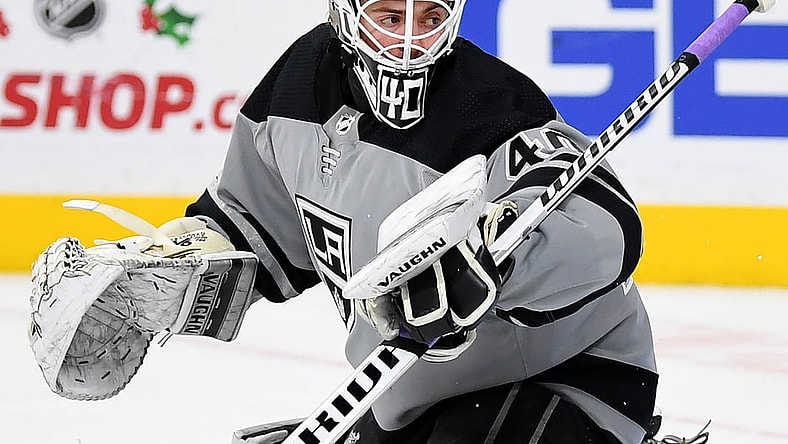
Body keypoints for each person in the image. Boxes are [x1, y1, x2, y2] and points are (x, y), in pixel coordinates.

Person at [29, 0, 662, 443]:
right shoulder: (300, 86)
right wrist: (174, 269)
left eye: (430, 16)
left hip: (568, 378)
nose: (411, 39)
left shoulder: (491, 107)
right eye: (390, 17)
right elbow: (256, 227)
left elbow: (608, 226)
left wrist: (498, 262)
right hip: (405, 393)